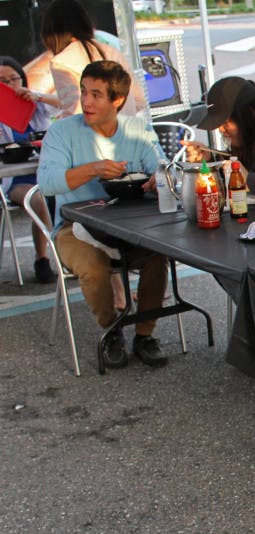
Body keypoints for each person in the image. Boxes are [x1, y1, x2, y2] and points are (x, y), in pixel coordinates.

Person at [37, 60, 167, 370]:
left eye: (96, 94)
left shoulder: (136, 129)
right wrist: (94, 168)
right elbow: (48, 183)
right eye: (84, 92)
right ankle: (112, 330)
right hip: (75, 226)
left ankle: (145, 334)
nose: (86, 101)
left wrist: (156, 179)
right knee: (93, 268)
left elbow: (161, 167)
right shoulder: (62, 132)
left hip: (129, 223)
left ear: (117, 100)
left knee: (158, 256)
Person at [0, 56, 59, 283]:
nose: (9, 85)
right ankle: (42, 257)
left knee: (73, 196)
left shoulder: (34, 103)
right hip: (15, 180)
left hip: (45, 170)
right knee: (40, 199)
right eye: (2, 81)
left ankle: (72, 255)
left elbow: (67, 103)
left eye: (13, 79)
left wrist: (37, 96)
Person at [37, 0, 148, 119]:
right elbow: (139, 100)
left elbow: (74, 111)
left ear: (50, 33)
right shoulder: (111, 51)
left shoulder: (61, 62)